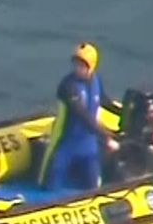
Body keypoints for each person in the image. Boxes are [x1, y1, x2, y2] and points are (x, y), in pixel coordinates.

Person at [39, 42, 120, 193]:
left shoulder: (96, 81)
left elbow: (103, 100)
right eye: (75, 64)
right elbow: (82, 115)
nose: (77, 69)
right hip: (65, 144)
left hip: (88, 147)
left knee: (93, 187)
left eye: (82, 65)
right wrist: (106, 135)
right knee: (49, 187)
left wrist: (122, 113)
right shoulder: (68, 86)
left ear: (91, 67)